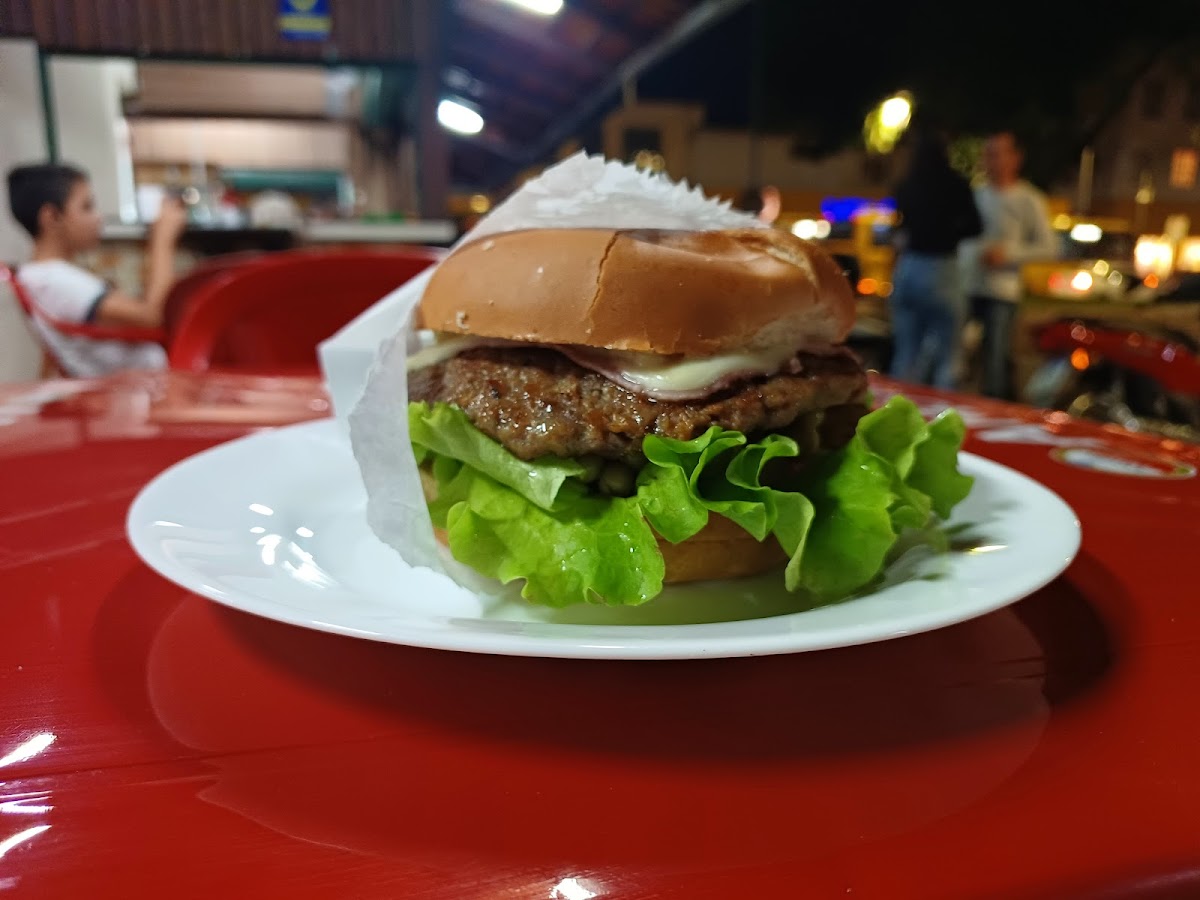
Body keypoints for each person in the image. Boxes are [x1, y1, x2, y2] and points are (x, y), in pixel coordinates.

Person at [7, 163, 187, 377]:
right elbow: (154, 315)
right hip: (142, 390)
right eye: (87, 206)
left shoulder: (38, 276)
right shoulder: (54, 278)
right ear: (51, 217)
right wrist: (162, 240)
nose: (98, 217)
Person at [960, 132, 1059, 399]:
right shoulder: (976, 195)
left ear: (1015, 158)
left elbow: (1049, 247)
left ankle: (994, 412)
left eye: (997, 154)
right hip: (968, 286)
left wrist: (1009, 254)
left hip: (1001, 292)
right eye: (988, 154)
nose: (991, 161)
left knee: (996, 361)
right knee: (955, 356)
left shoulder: (1028, 199)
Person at [887, 128, 982, 389]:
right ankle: (943, 417)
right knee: (948, 354)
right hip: (943, 269)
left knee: (906, 353)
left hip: (909, 267)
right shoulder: (957, 185)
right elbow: (975, 226)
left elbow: (899, 227)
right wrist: (949, 232)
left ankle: (898, 416)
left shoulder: (907, 184)